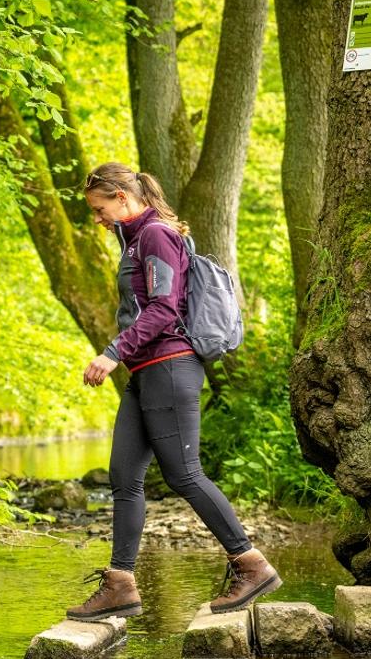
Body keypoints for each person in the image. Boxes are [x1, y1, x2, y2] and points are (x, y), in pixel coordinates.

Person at [67, 162, 281, 622]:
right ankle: (120, 584)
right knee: (124, 476)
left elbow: (164, 309)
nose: (97, 219)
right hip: (146, 372)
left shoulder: (156, 236)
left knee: (184, 474)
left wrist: (112, 352)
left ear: (122, 197)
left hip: (170, 366)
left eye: (99, 209)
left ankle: (251, 565)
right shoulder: (133, 240)